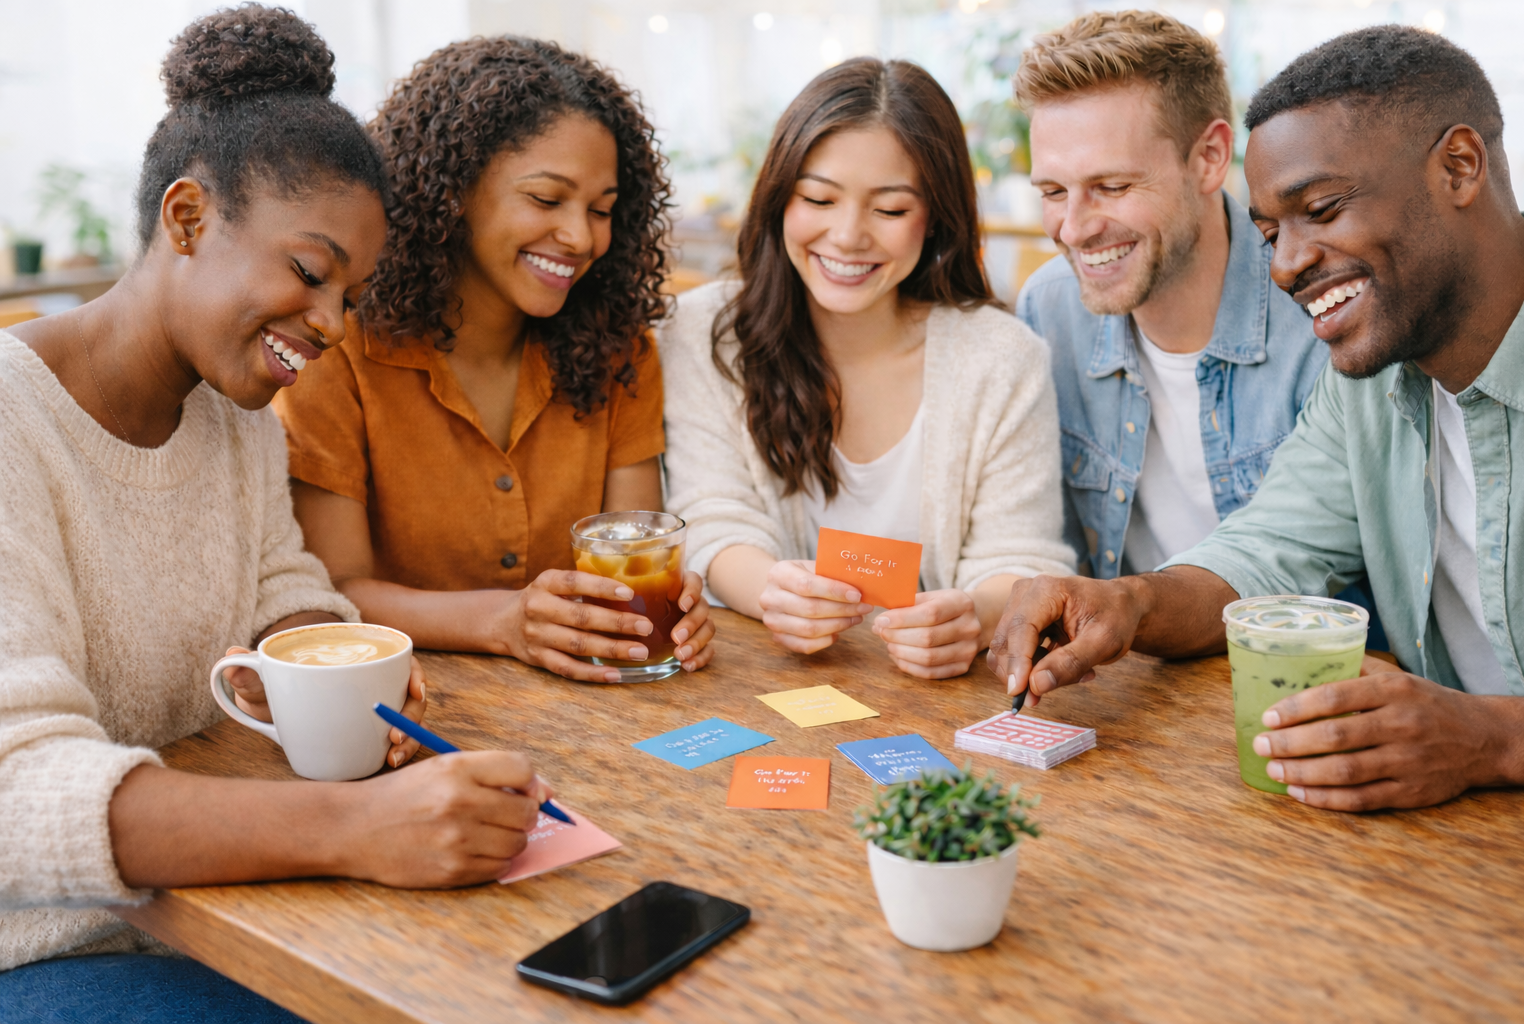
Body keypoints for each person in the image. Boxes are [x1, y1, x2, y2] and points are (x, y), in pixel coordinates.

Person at [0, 9, 551, 1019]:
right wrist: (360, 829)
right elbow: (14, 798)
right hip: (46, 949)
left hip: (221, 912)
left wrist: (334, 673)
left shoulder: (236, 414)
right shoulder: (10, 419)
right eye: (309, 272)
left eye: (351, 295)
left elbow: (282, 586)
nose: (332, 325)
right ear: (187, 219)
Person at [989, 25, 1524, 812]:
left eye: (1323, 209)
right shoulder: (1372, 374)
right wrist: (1128, 602)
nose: (1283, 266)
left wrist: (1492, 739)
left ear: (1459, 165)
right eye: (1272, 233)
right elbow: (1268, 553)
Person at [275, 37, 716, 683]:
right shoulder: (337, 350)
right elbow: (336, 592)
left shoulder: (619, 350)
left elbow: (633, 556)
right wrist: (503, 622)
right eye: (546, 199)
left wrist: (672, 609)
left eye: (602, 210)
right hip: (405, 703)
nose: (580, 237)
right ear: (451, 191)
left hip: (588, 704)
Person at [660, 58, 1075, 679]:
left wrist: (976, 616)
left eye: (890, 209)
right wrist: (772, 591)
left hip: (937, 699)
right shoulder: (704, 332)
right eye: (818, 199)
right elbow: (713, 513)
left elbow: (1020, 554)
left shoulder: (1003, 358)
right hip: (756, 682)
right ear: (778, 199)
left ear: (936, 217)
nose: (849, 236)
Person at [1015, 12, 1338, 580]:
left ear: (1210, 158)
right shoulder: (1049, 310)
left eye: (1112, 186)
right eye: (1054, 191)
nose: (1073, 229)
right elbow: (1048, 552)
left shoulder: (1321, 318)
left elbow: (1326, 572)